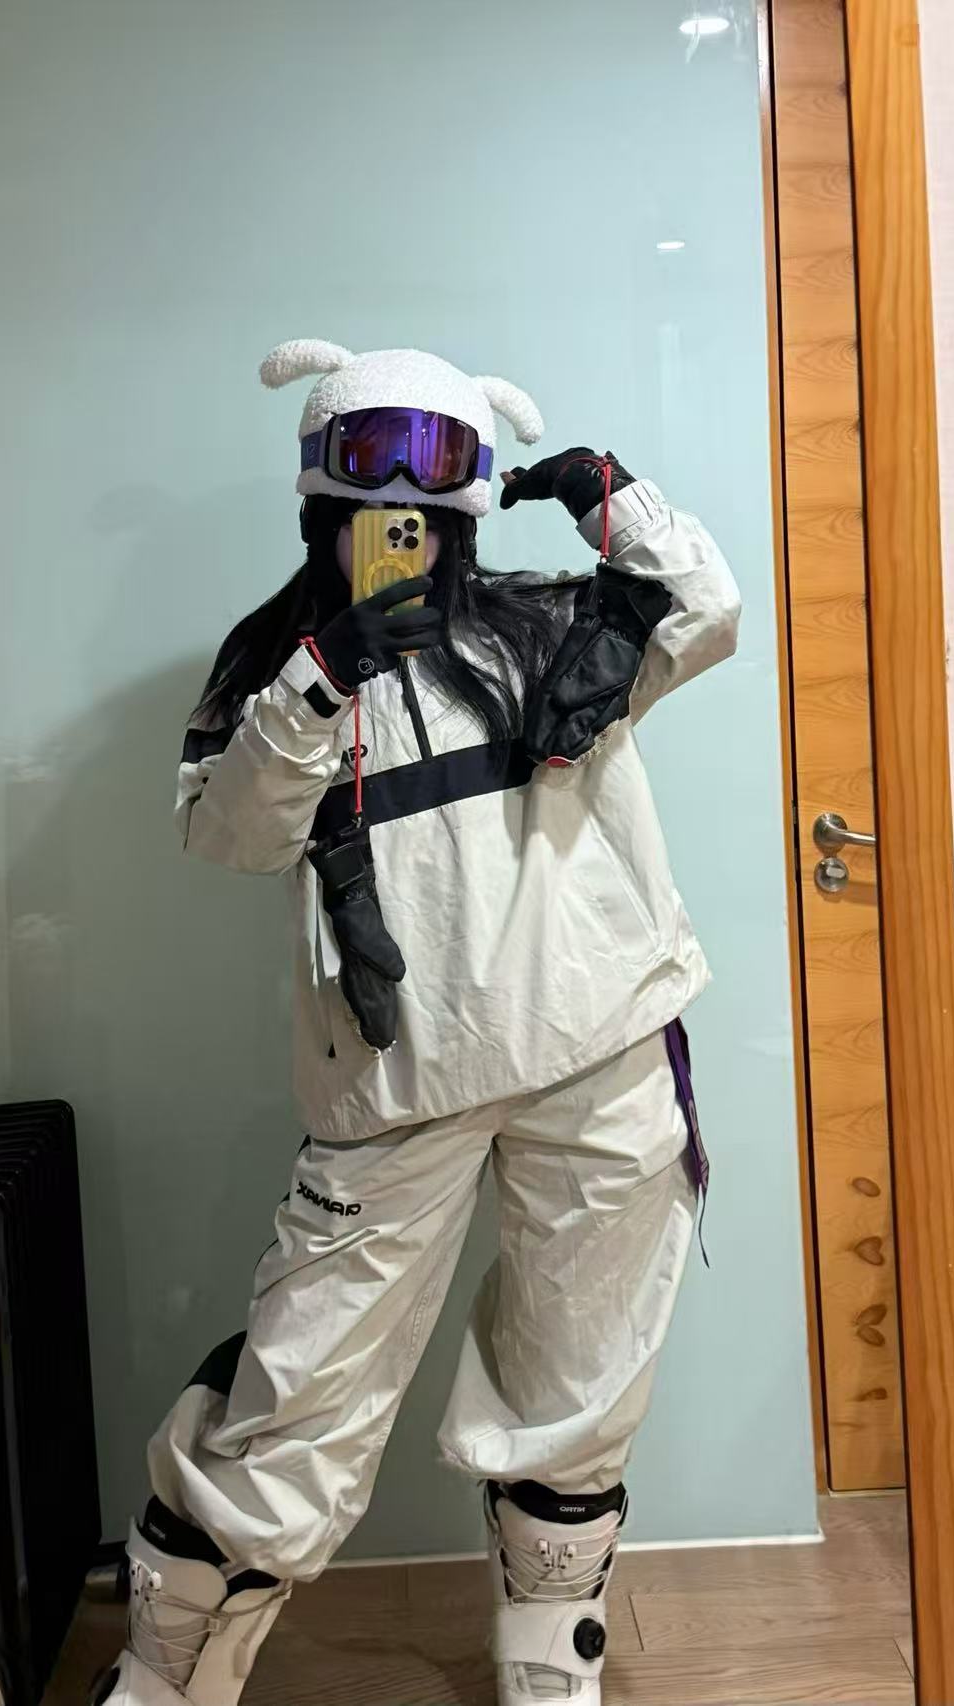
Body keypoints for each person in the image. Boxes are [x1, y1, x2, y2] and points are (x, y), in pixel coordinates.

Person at [93, 340, 741, 1706]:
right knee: (300, 1392)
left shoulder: (550, 625)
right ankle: (167, 1674)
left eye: (433, 466)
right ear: (322, 486)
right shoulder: (278, 669)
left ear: (471, 490)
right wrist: (318, 680)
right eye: (372, 463)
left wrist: (614, 501)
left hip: (598, 1042)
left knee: (582, 1365)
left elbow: (704, 608)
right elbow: (227, 834)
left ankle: (549, 1658)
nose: (403, 495)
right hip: (398, 1083)